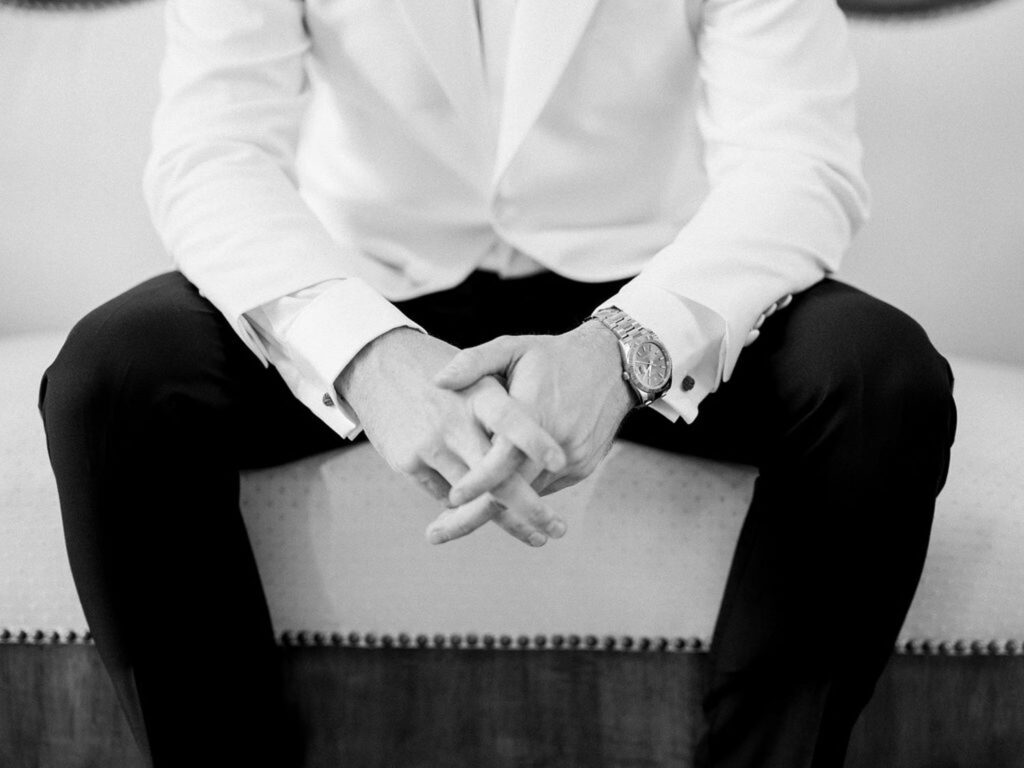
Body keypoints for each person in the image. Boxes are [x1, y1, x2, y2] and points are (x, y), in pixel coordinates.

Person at [39, 0, 957, 766]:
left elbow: (799, 161)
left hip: (641, 270)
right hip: (367, 274)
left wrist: (624, 347)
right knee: (112, 377)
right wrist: (365, 354)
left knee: (879, 377)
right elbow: (213, 153)